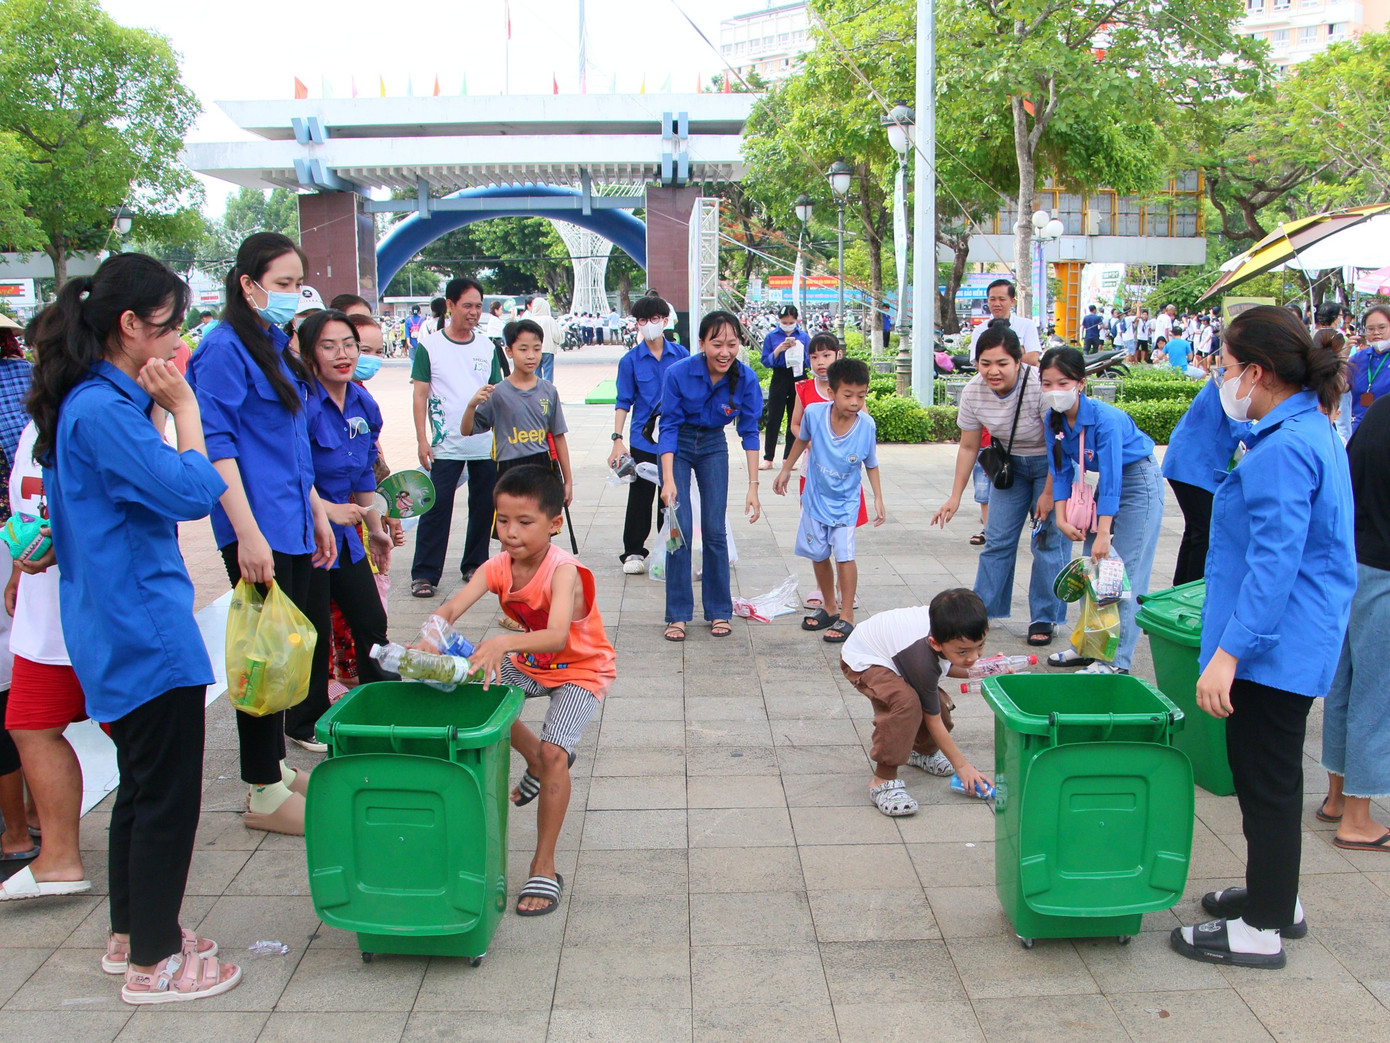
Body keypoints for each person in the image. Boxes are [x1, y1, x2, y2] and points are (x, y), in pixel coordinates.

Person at [30, 253, 240, 1001]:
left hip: (113, 624)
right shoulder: (104, 410)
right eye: (170, 324)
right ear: (130, 326)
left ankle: (133, 935)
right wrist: (185, 409)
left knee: (141, 789)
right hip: (142, 629)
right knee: (165, 797)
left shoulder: (89, 401)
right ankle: (155, 961)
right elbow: (187, 491)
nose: (179, 338)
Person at [1172, 305, 1354, 970]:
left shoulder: (1284, 447)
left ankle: (1264, 925)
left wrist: (1228, 653)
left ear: (1256, 371)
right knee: (1266, 779)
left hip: (1274, 648)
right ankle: (1278, 895)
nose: (1221, 379)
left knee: (1267, 781)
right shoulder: (1308, 426)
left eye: (1224, 366)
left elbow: (1275, 565)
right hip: (1293, 639)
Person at [188, 232, 338, 836]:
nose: (291, 294)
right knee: (261, 654)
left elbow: (292, 446)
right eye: (279, 284)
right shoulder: (222, 348)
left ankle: (273, 767)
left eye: (297, 283)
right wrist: (248, 535)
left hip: (292, 520)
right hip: (257, 527)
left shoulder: (274, 342)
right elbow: (215, 447)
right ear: (247, 285)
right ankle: (262, 790)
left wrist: (320, 513)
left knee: (288, 648)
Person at [423, 466, 614, 915]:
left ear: (554, 523)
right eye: (502, 520)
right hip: (532, 663)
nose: (510, 533)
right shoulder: (498, 567)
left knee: (555, 755)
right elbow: (453, 604)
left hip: (579, 669)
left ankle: (543, 865)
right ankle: (531, 756)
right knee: (470, 690)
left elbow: (554, 636)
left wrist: (502, 642)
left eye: (524, 523)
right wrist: (429, 635)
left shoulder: (563, 571)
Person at [288, 311, 394, 749]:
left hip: (347, 539)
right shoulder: (299, 404)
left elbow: (364, 474)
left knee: (371, 620)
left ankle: (384, 703)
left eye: (349, 344)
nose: (343, 354)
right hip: (304, 534)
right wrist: (326, 511)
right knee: (312, 631)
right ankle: (303, 723)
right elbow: (290, 472)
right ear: (310, 354)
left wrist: (375, 528)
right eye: (329, 346)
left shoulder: (363, 403)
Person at [932, 325, 1067, 648]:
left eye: (1002, 363)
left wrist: (1049, 494)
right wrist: (954, 496)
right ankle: (982, 613)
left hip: (1050, 466)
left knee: (1048, 542)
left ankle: (1044, 617)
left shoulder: (1037, 385)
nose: (993, 371)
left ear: (1019, 361)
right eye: (985, 363)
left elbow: (1058, 448)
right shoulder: (974, 391)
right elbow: (968, 446)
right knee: (997, 540)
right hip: (1010, 469)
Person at [0, 422, 91, 901]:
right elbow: (26, 507)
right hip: (44, 615)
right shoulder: (36, 419)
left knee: (144, 739)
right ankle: (58, 856)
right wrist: (19, 570)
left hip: (103, 611)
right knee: (31, 726)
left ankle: (155, 851)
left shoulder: (106, 408)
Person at [1040, 347, 1164, 674]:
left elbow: (1112, 478)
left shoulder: (1106, 419)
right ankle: (1086, 647)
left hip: (1137, 483)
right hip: (1095, 489)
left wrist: (1104, 533)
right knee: (1091, 572)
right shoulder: (1052, 420)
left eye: (1063, 383)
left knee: (1121, 577)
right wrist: (1063, 518)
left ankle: (1115, 662)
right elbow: (1062, 471)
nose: (1055, 391)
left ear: (1081, 383)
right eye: (1047, 383)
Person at [658, 311, 764, 642]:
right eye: (717, 344)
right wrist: (669, 479)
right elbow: (669, 426)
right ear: (702, 343)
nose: (724, 352)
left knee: (715, 529)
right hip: (680, 444)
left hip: (714, 445)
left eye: (732, 344)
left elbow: (749, 432)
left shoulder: (746, 379)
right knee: (681, 529)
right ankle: (677, 615)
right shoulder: (678, 373)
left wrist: (753, 487)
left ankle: (719, 610)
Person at [840, 588, 993, 817]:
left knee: (934, 704)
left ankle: (922, 752)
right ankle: (883, 780)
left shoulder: (948, 624)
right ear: (936, 643)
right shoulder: (921, 658)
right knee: (906, 703)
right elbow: (932, 719)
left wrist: (989, 670)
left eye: (980, 646)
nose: (973, 658)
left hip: (899, 653)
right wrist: (963, 767)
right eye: (963, 652)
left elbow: (951, 664)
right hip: (865, 657)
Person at [1319, 394, 1390, 854]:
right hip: (1385, 569)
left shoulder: (1380, 411)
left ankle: (1337, 798)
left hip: (1354, 562)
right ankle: (1360, 820)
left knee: (1344, 683)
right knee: (1377, 692)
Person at [773, 356, 884, 643]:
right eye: (848, 395)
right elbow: (801, 440)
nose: (855, 402)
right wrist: (786, 469)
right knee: (819, 553)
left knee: (845, 556)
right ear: (832, 392)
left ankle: (847, 615)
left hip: (846, 503)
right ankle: (829, 606)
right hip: (815, 498)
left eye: (862, 395)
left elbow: (871, 463)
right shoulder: (813, 413)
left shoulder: (866, 426)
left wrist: (878, 499)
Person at [410, 276, 502, 598]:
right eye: (467, 305)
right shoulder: (430, 346)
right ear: (450, 305)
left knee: (482, 506)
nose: (474, 312)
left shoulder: (487, 346)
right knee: (436, 507)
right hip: (445, 444)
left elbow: (496, 393)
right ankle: (424, 573)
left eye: (478, 306)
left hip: (482, 443)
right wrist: (423, 440)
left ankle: (475, 564)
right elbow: (420, 395)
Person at [789, 333, 868, 610]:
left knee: (843, 540)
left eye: (826, 355)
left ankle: (843, 591)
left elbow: (862, 429)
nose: (820, 362)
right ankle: (825, 592)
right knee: (816, 537)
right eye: (814, 356)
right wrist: (811, 440)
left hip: (844, 480)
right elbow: (796, 427)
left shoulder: (854, 391)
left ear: (838, 356)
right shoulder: (804, 389)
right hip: (812, 473)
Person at [610, 296, 689, 574]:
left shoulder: (681, 355)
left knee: (671, 495)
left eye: (653, 319)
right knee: (640, 495)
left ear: (665, 321)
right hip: (643, 439)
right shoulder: (630, 361)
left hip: (675, 437)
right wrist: (616, 439)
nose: (648, 325)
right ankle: (633, 551)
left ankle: (668, 547)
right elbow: (623, 401)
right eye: (642, 320)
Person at [464, 318, 573, 497]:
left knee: (542, 521)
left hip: (542, 466)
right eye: (523, 349)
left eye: (537, 349)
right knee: (512, 521)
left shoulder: (549, 391)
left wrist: (567, 481)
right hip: (508, 469)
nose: (531, 355)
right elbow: (467, 429)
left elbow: (559, 436)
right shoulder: (497, 393)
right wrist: (471, 406)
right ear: (509, 351)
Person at [1162, 379, 1245, 586]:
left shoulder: (1227, 379)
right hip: (1194, 466)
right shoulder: (1232, 382)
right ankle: (1188, 592)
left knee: (1195, 532)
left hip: (1189, 463)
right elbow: (1242, 429)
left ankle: (1179, 590)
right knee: (1204, 533)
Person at [759, 305, 810, 470]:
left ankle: (788, 457)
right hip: (780, 375)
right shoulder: (772, 337)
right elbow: (765, 361)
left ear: (796, 321)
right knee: (774, 416)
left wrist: (798, 352)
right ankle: (768, 457)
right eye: (784, 322)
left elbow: (810, 360)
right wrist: (779, 349)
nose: (787, 325)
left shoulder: (803, 336)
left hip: (798, 375)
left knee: (794, 418)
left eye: (791, 322)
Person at [969, 280, 1042, 364]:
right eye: (992, 299)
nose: (996, 304)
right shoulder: (980, 330)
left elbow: (1032, 359)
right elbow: (978, 363)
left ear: (1012, 302)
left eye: (1002, 299)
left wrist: (993, 359)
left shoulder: (1027, 325)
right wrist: (1019, 353)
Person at [1347, 305, 1390, 433]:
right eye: (1370, 329)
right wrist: (1342, 356)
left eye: (1382, 328)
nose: (1376, 333)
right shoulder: (1358, 358)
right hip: (1361, 428)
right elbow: (1339, 387)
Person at [527, 297, 563, 383]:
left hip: (533, 351)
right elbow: (556, 336)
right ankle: (547, 391)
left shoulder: (530, 321)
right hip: (548, 350)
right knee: (548, 373)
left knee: (535, 373)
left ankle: (536, 391)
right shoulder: (550, 320)